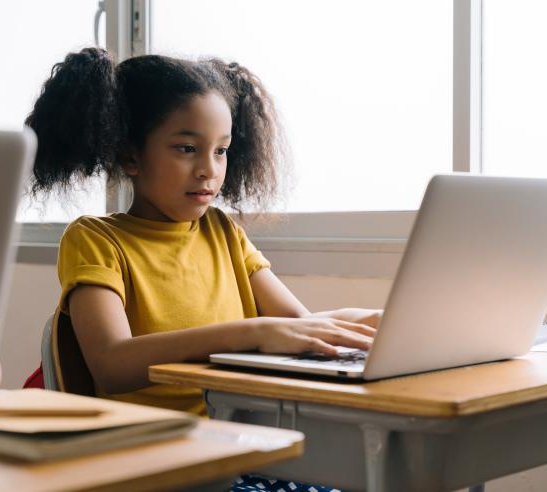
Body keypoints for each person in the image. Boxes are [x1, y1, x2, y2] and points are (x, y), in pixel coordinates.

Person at [23, 47, 381, 491]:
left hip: (238, 446)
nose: (209, 170)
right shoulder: (96, 239)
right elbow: (111, 364)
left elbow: (298, 326)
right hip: (163, 462)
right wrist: (250, 331)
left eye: (222, 151)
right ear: (131, 156)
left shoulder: (223, 232)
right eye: (187, 148)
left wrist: (378, 322)